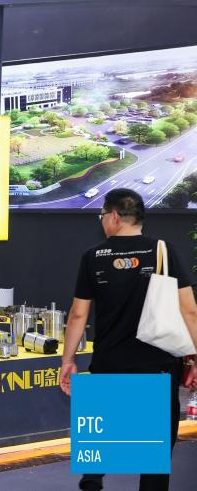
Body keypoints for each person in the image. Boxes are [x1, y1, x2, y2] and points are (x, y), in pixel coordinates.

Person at [61, 188, 197, 491]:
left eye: (101, 215)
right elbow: (189, 310)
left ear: (113, 216)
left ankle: (93, 479)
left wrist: (68, 360)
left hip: (108, 363)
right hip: (156, 366)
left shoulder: (93, 256)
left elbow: (78, 314)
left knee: (100, 441)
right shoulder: (163, 250)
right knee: (154, 458)